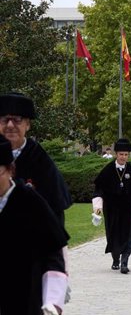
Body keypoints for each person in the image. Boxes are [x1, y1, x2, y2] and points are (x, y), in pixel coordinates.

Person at [0, 135, 69, 315]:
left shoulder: (30, 203)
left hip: (26, 297)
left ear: (10, 170)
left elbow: (53, 251)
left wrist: (53, 297)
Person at [0, 92, 72, 224]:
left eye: (17, 120)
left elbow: (54, 215)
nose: (10, 125)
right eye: (5, 120)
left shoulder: (42, 163)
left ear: (27, 124)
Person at [92, 138, 131, 274]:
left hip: (128, 209)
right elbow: (99, 189)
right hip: (112, 209)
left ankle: (125, 261)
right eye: (121, 154)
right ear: (116, 154)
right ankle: (116, 258)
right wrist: (97, 206)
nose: (123, 157)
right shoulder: (108, 170)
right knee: (113, 235)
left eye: (126, 155)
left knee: (129, 236)